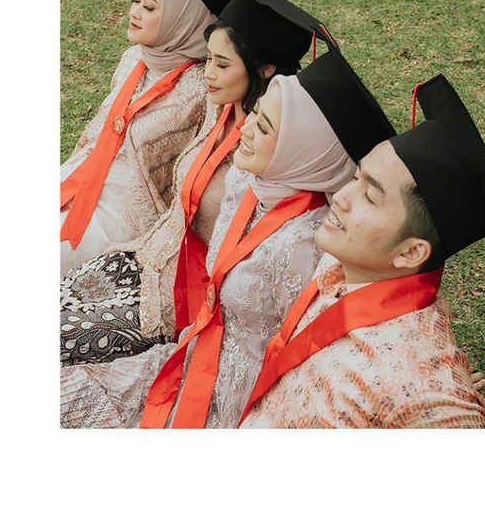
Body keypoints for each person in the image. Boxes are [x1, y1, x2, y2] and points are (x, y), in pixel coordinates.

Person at [60, 47, 395, 428]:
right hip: (189, 354)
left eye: (264, 127)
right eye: (255, 116)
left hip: (238, 398)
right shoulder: (245, 183)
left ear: (302, 150)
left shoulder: (310, 242)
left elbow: (324, 349)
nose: (245, 130)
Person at [61, 0, 330, 364]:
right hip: (149, 258)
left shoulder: (267, 153)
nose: (206, 74)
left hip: (186, 296)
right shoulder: (217, 110)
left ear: (265, 70)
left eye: (223, 65)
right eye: (208, 60)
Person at [238, 73, 485, 428]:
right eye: (356, 177)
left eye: (370, 196)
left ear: (411, 253)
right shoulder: (343, 261)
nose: (340, 198)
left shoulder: (421, 392)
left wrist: (432, 392)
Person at [60, 0, 232, 277]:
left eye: (150, 7)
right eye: (137, 0)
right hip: (80, 177)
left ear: (181, 20)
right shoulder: (132, 59)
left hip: (126, 212)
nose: (135, 11)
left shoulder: (202, 88)